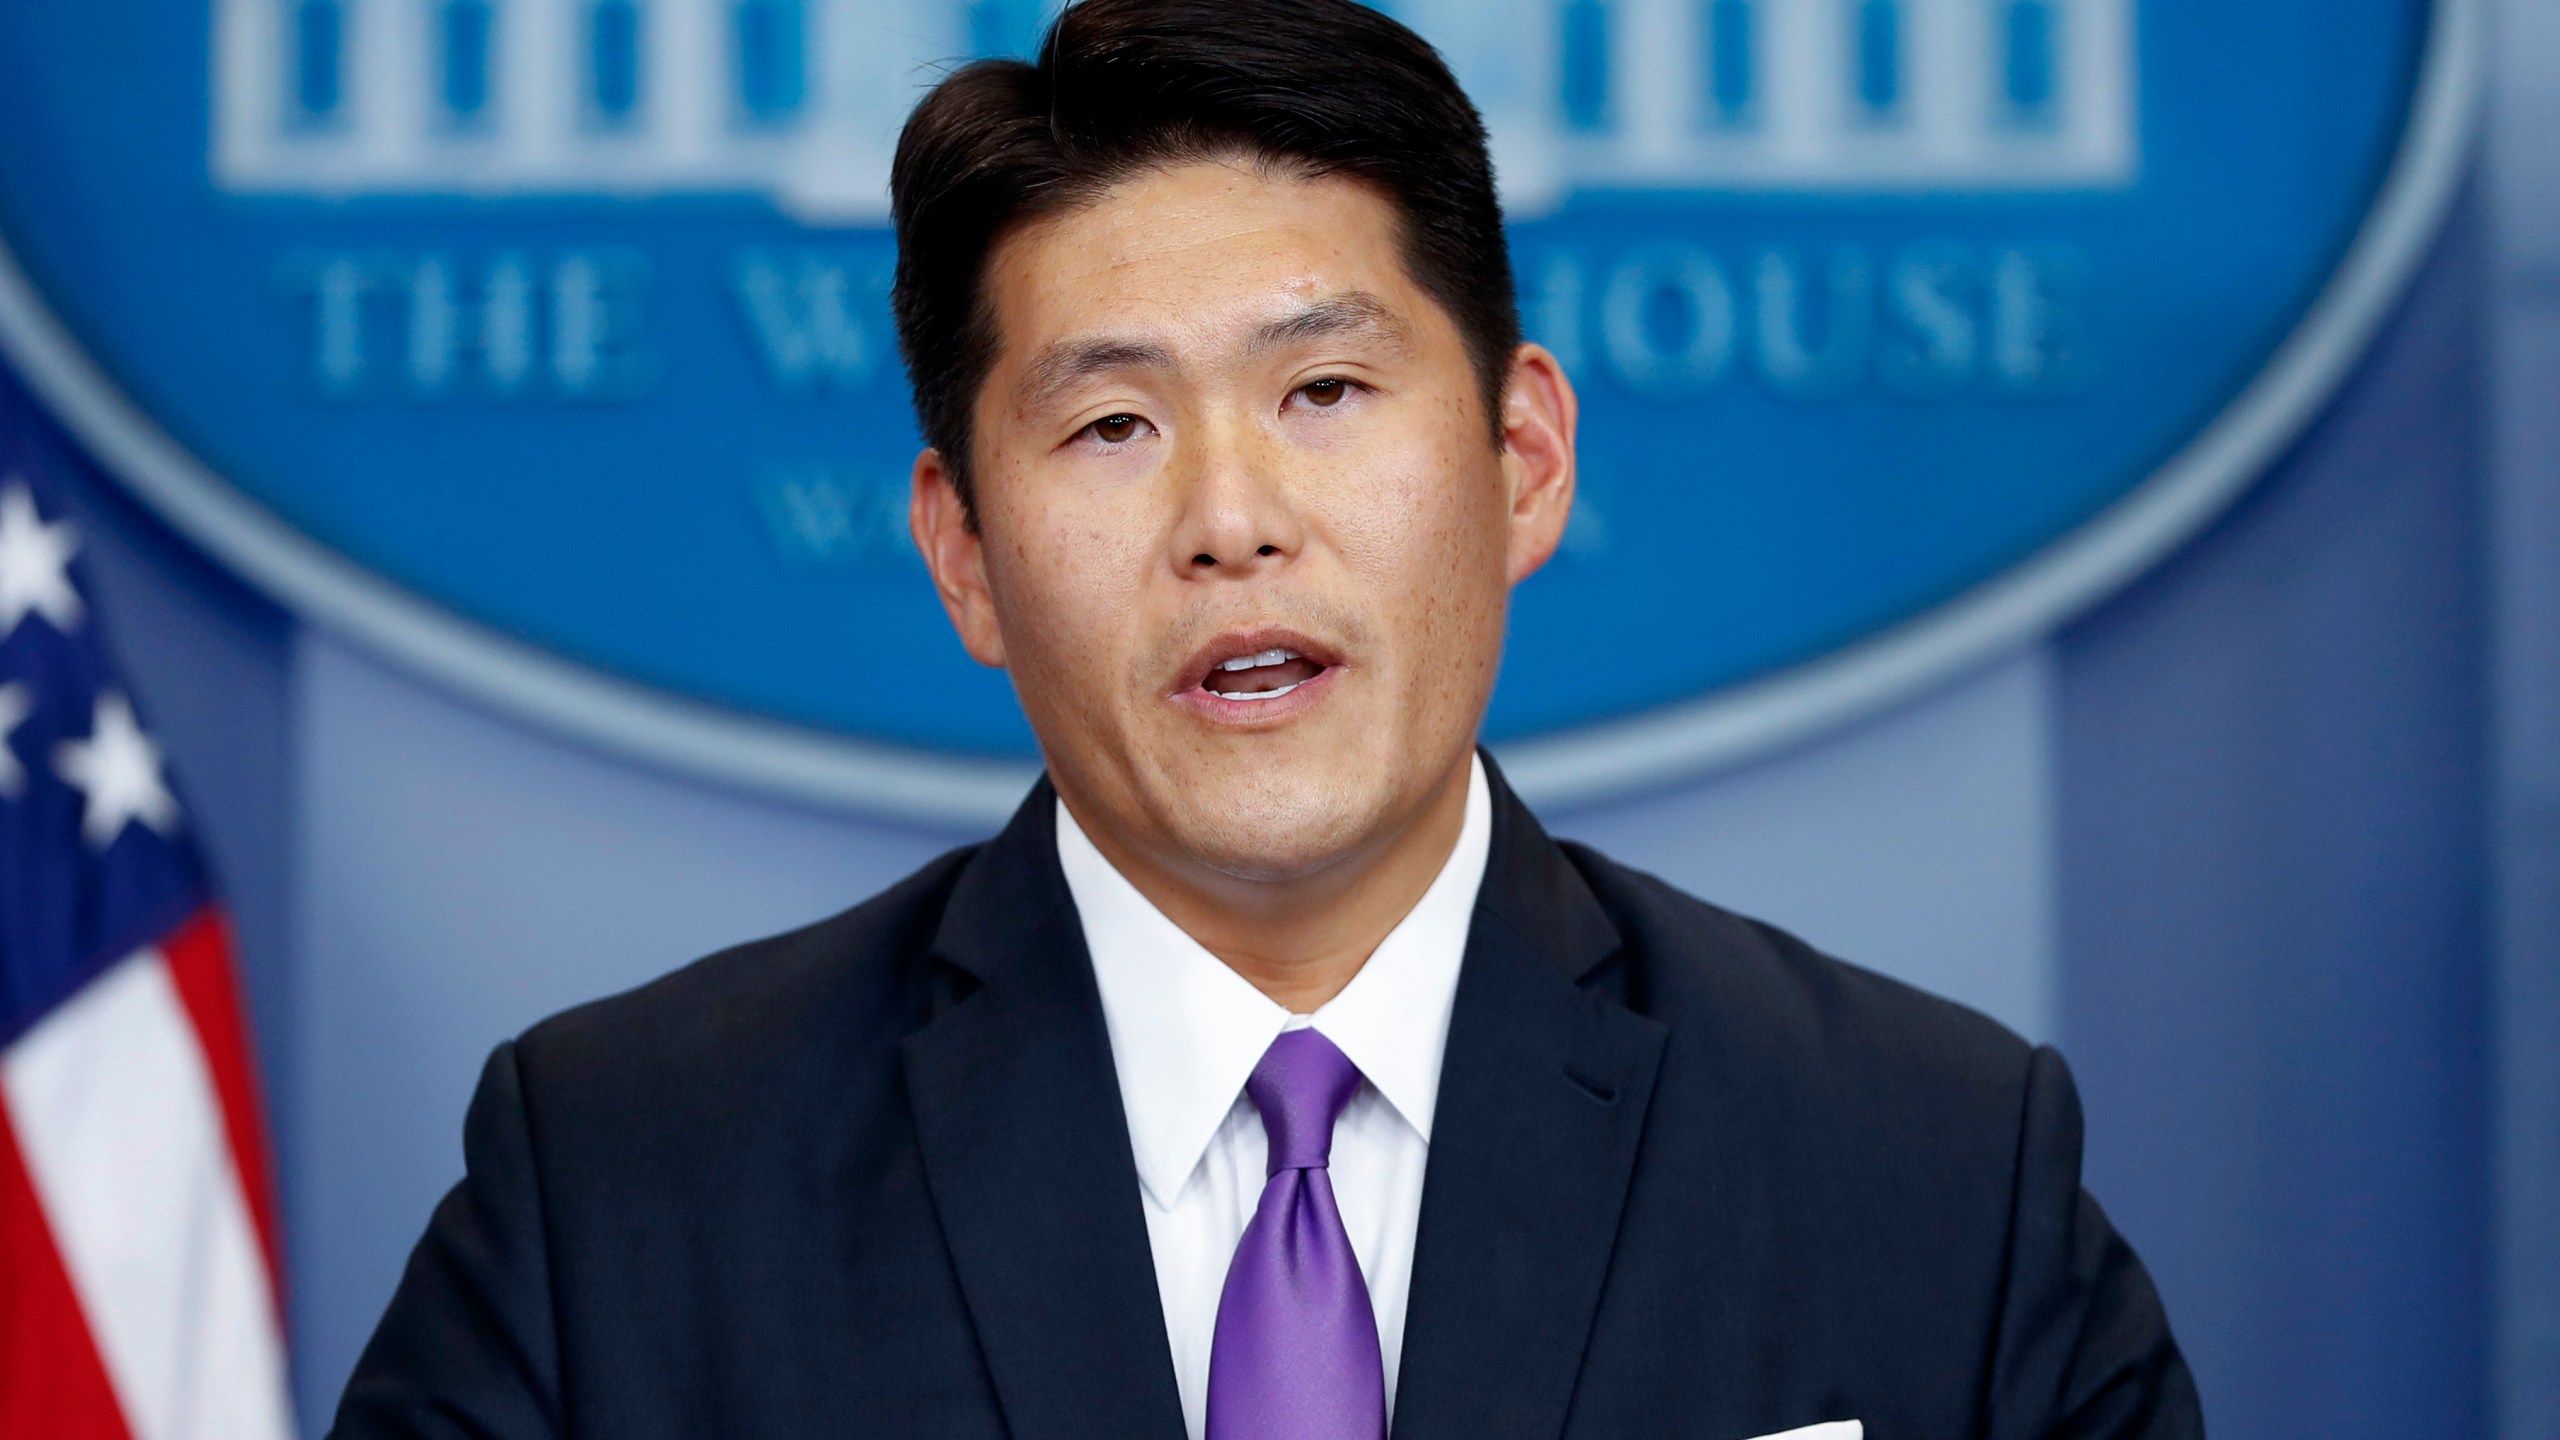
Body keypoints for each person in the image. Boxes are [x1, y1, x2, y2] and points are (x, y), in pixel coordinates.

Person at [332, 1, 2202, 1436]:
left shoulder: (1933, 1170)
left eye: (1322, 387)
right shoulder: (624, 1188)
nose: (1231, 516)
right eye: (1112, 426)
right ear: (965, 555)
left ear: (1523, 458)